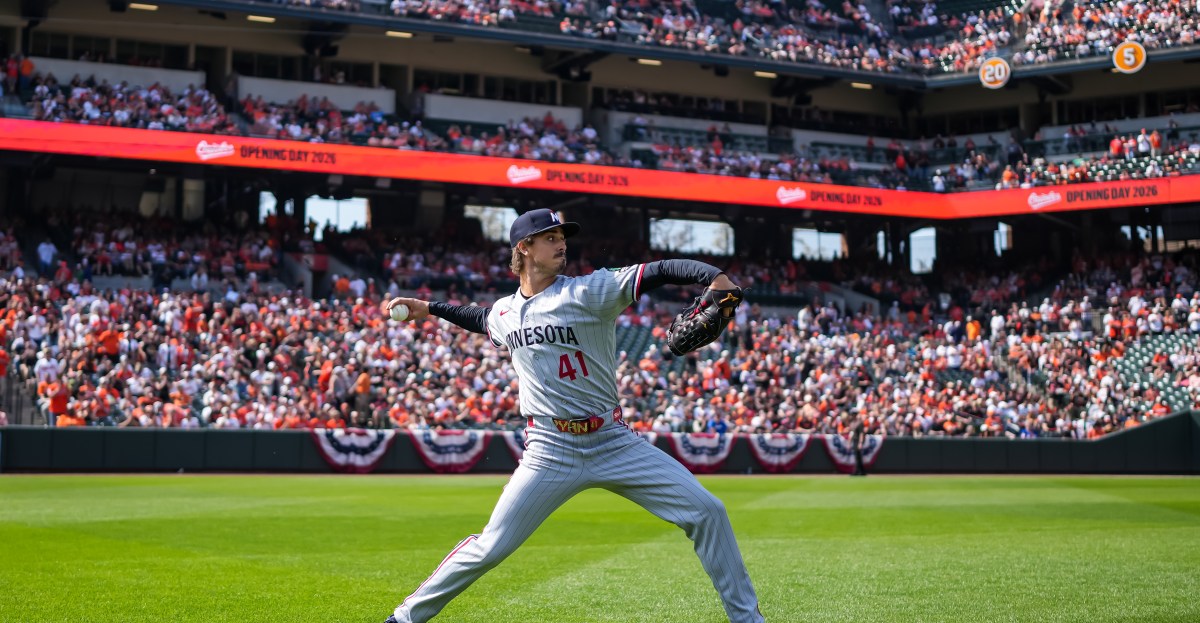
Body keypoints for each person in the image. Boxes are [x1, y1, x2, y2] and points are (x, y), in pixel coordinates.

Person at [380, 208, 765, 623]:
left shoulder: (590, 290)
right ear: (524, 248)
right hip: (550, 450)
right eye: (549, 237)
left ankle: (748, 620)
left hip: (613, 440)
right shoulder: (505, 313)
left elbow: (662, 269)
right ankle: (404, 618)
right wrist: (431, 308)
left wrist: (716, 277)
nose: (561, 242)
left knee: (708, 511)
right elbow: (480, 318)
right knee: (492, 545)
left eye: (562, 235)